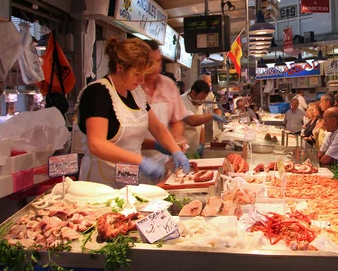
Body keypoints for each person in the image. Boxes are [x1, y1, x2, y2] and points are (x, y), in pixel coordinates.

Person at [75, 38, 189, 187]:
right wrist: (140, 161)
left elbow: (158, 128)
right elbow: (97, 144)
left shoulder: (136, 94)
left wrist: (175, 151)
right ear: (120, 67)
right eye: (137, 74)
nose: (142, 80)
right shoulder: (97, 93)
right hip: (100, 185)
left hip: (130, 182)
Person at [140, 40, 188, 184]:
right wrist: (156, 144)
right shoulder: (133, 89)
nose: (156, 67)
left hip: (163, 160)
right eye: (151, 62)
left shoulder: (168, 85)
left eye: (159, 61)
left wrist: (175, 142)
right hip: (135, 159)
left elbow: (174, 121)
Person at [181, 81, 227, 157]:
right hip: (183, 148)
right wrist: (211, 115)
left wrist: (202, 143)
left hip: (195, 147)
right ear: (193, 93)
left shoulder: (198, 102)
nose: (203, 101)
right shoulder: (181, 101)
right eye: (202, 98)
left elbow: (202, 126)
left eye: (204, 98)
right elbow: (192, 121)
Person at [200, 74, 223, 150]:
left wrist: (219, 117)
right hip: (199, 129)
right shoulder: (190, 95)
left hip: (210, 129)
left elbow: (216, 109)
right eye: (209, 82)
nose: (210, 84)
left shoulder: (210, 94)